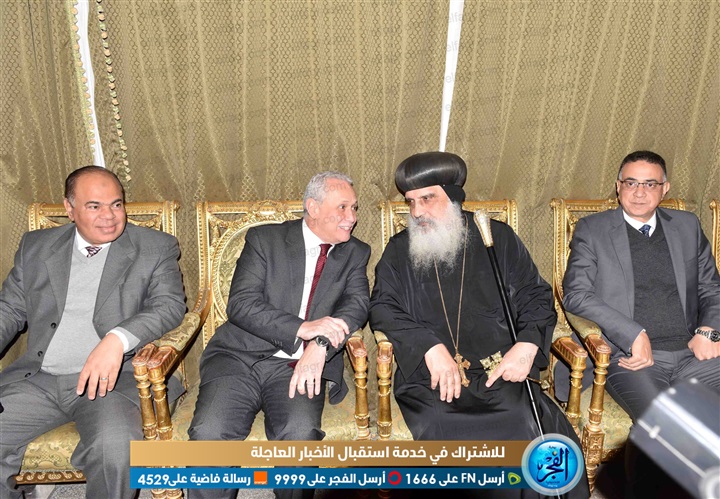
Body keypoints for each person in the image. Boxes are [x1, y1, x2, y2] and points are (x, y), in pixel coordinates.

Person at [369, 151, 589, 498]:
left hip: (497, 369)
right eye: (411, 201)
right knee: (444, 430)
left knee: (524, 421)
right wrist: (428, 346)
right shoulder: (399, 250)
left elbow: (535, 296)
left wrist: (527, 345)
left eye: (427, 199)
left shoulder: (495, 238)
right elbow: (383, 307)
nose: (416, 212)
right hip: (432, 379)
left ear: (453, 197)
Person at [0, 166, 186, 499]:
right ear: (69, 209)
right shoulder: (36, 247)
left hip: (114, 382)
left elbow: (169, 305)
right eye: (94, 206)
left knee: (115, 448)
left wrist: (117, 339)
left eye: (116, 204)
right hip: (39, 380)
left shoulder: (154, 247)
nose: (109, 216)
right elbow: (9, 310)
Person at [188, 171, 371, 499]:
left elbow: (356, 306)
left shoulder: (355, 252)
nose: (352, 217)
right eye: (342, 207)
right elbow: (241, 304)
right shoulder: (265, 240)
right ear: (313, 208)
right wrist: (303, 328)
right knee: (209, 434)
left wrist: (319, 344)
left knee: (300, 437)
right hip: (238, 357)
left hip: (299, 366)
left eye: (354, 208)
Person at [562, 150, 720, 422]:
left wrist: (709, 330)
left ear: (664, 189)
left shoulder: (687, 225)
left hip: (694, 353)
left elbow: (711, 288)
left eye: (650, 184)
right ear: (618, 186)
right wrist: (633, 333)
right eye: (631, 183)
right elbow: (576, 295)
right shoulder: (593, 229)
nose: (639, 193)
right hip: (632, 359)